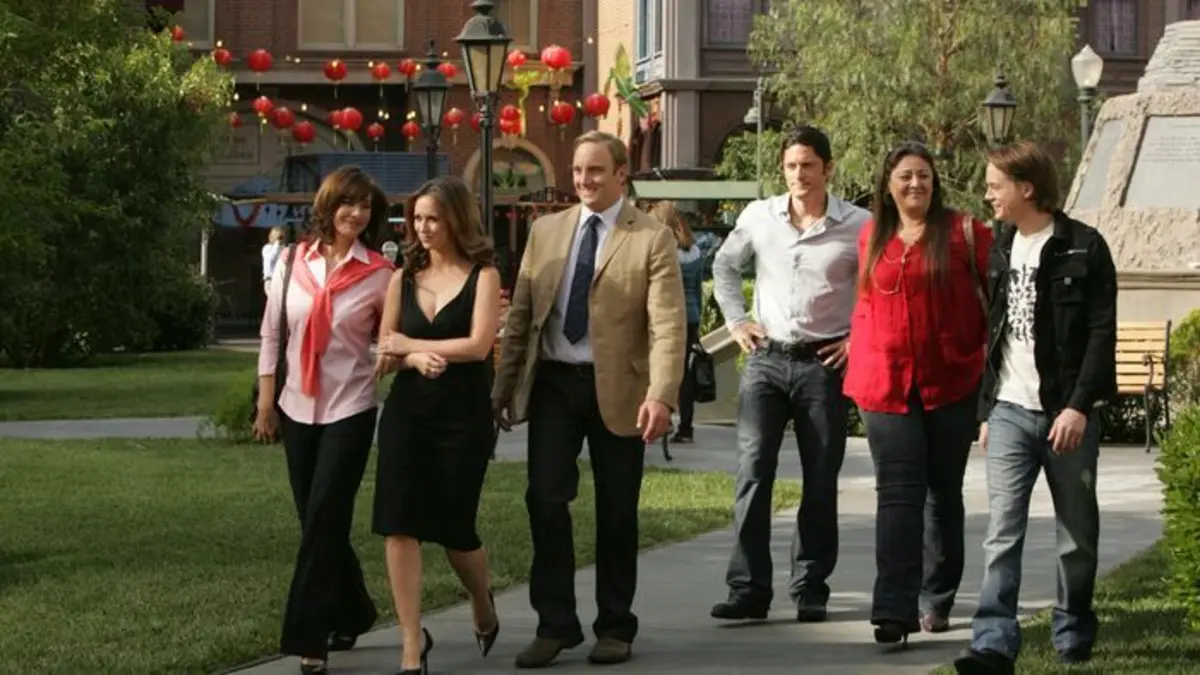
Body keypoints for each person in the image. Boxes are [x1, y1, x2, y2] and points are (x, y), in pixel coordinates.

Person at [491, 130, 686, 668]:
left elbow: (668, 325)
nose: (584, 180)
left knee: (617, 510)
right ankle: (555, 625)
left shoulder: (651, 237)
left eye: (595, 171)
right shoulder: (546, 231)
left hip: (621, 390)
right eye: (578, 171)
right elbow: (522, 317)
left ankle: (615, 626)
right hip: (554, 386)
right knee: (545, 500)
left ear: (622, 174)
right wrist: (503, 386)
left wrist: (662, 396)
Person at [954, 141, 1117, 675]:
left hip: (1066, 416)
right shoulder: (1001, 246)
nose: (988, 195)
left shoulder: (1084, 246)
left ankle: (1073, 632)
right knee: (1002, 533)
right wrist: (986, 410)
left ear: (1027, 188)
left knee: (1076, 536)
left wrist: (1078, 407)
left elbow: (1101, 334)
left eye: (995, 185)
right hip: (1008, 412)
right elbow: (996, 333)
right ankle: (993, 644)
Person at [710, 126, 869, 623]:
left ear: (828, 168)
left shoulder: (859, 224)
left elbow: (876, 288)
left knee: (820, 478)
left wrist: (857, 338)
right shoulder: (759, 216)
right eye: (791, 166)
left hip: (824, 365)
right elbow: (725, 266)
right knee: (753, 471)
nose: (799, 175)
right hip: (767, 359)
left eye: (808, 165)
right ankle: (748, 589)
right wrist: (736, 320)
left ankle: (811, 587)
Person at [843, 141, 993, 647]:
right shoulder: (872, 235)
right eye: (905, 176)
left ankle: (937, 595)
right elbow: (865, 303)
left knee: (942, 494)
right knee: (897, 494)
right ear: (888, 186)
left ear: (935, 182)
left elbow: (996, 301)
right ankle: (893, 609)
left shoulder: (964, 232)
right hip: (885, 385)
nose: (915, 184)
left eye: (923, 176)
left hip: (950, 381)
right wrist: (858, 350)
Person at [253, 165, 394, 675]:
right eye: (347, 203)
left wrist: (391, 353)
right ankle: (354, 610)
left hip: (349, 407)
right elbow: (273, 334)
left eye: (365, 206)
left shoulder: (380, 274)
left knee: (326, 516)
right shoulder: (293, 261)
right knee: (315, 520)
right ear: (328, 206)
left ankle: (309, 639)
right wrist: (266, 402)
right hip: (295, 405)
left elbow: (389, 338)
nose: (356, 213)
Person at [372, 175, 503, 675]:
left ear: (456, 220)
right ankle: (411, 642)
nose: (424, 228)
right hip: (407, 415)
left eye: (434, 219)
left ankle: (482, 601)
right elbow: (386, 350)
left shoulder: (483, 276)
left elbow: (477, 345)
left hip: (463, 419)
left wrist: (413, 345)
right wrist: (409, 358)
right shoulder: (401, 279)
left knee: (455, 530)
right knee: (398, 526)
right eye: (418, 219)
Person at [650, 200, 706, 444]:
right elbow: (698, 289)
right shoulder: (694, 252)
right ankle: (686, 427)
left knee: (660, 368)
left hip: (667, 316)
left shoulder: (663, 251)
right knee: (684, 374)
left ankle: (663, 419)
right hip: (690, 315)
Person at [263, 225, 286, 294]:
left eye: (282, 237)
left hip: (281, 280)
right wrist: (277, 243)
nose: (281, 239)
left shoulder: (284, 248)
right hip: (271, 280)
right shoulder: (267, 248)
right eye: (279, 237)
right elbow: (271, 259)